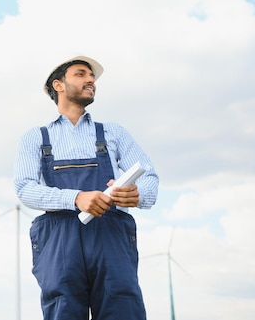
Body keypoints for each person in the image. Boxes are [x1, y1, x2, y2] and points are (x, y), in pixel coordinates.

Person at [13, 55, 159, 320]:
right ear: (58, 85)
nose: (91, 80)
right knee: (64, 311)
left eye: (92, 77)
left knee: (122, 309)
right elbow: (25, 188)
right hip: (60, 239)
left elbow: (149, 177)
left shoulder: (114, 133)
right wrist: (77, 197)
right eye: (81, 74)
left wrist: (137, 195)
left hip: (110, 235)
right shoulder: (36, 137)